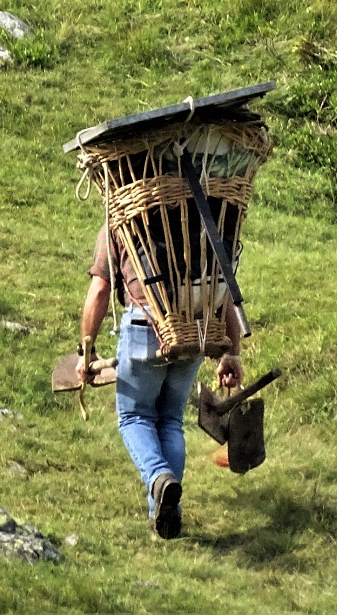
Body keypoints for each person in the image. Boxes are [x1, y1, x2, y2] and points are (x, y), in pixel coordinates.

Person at [77, 224, 244, 539]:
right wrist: (230, 354)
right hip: (194, 330)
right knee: (169, 421)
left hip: (145, 327)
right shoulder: (202, 214)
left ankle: (158, 478)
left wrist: (85, 352)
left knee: (135, 417)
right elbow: (219, 292)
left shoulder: (122, 218)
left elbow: (100, 289)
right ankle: (165, 514)